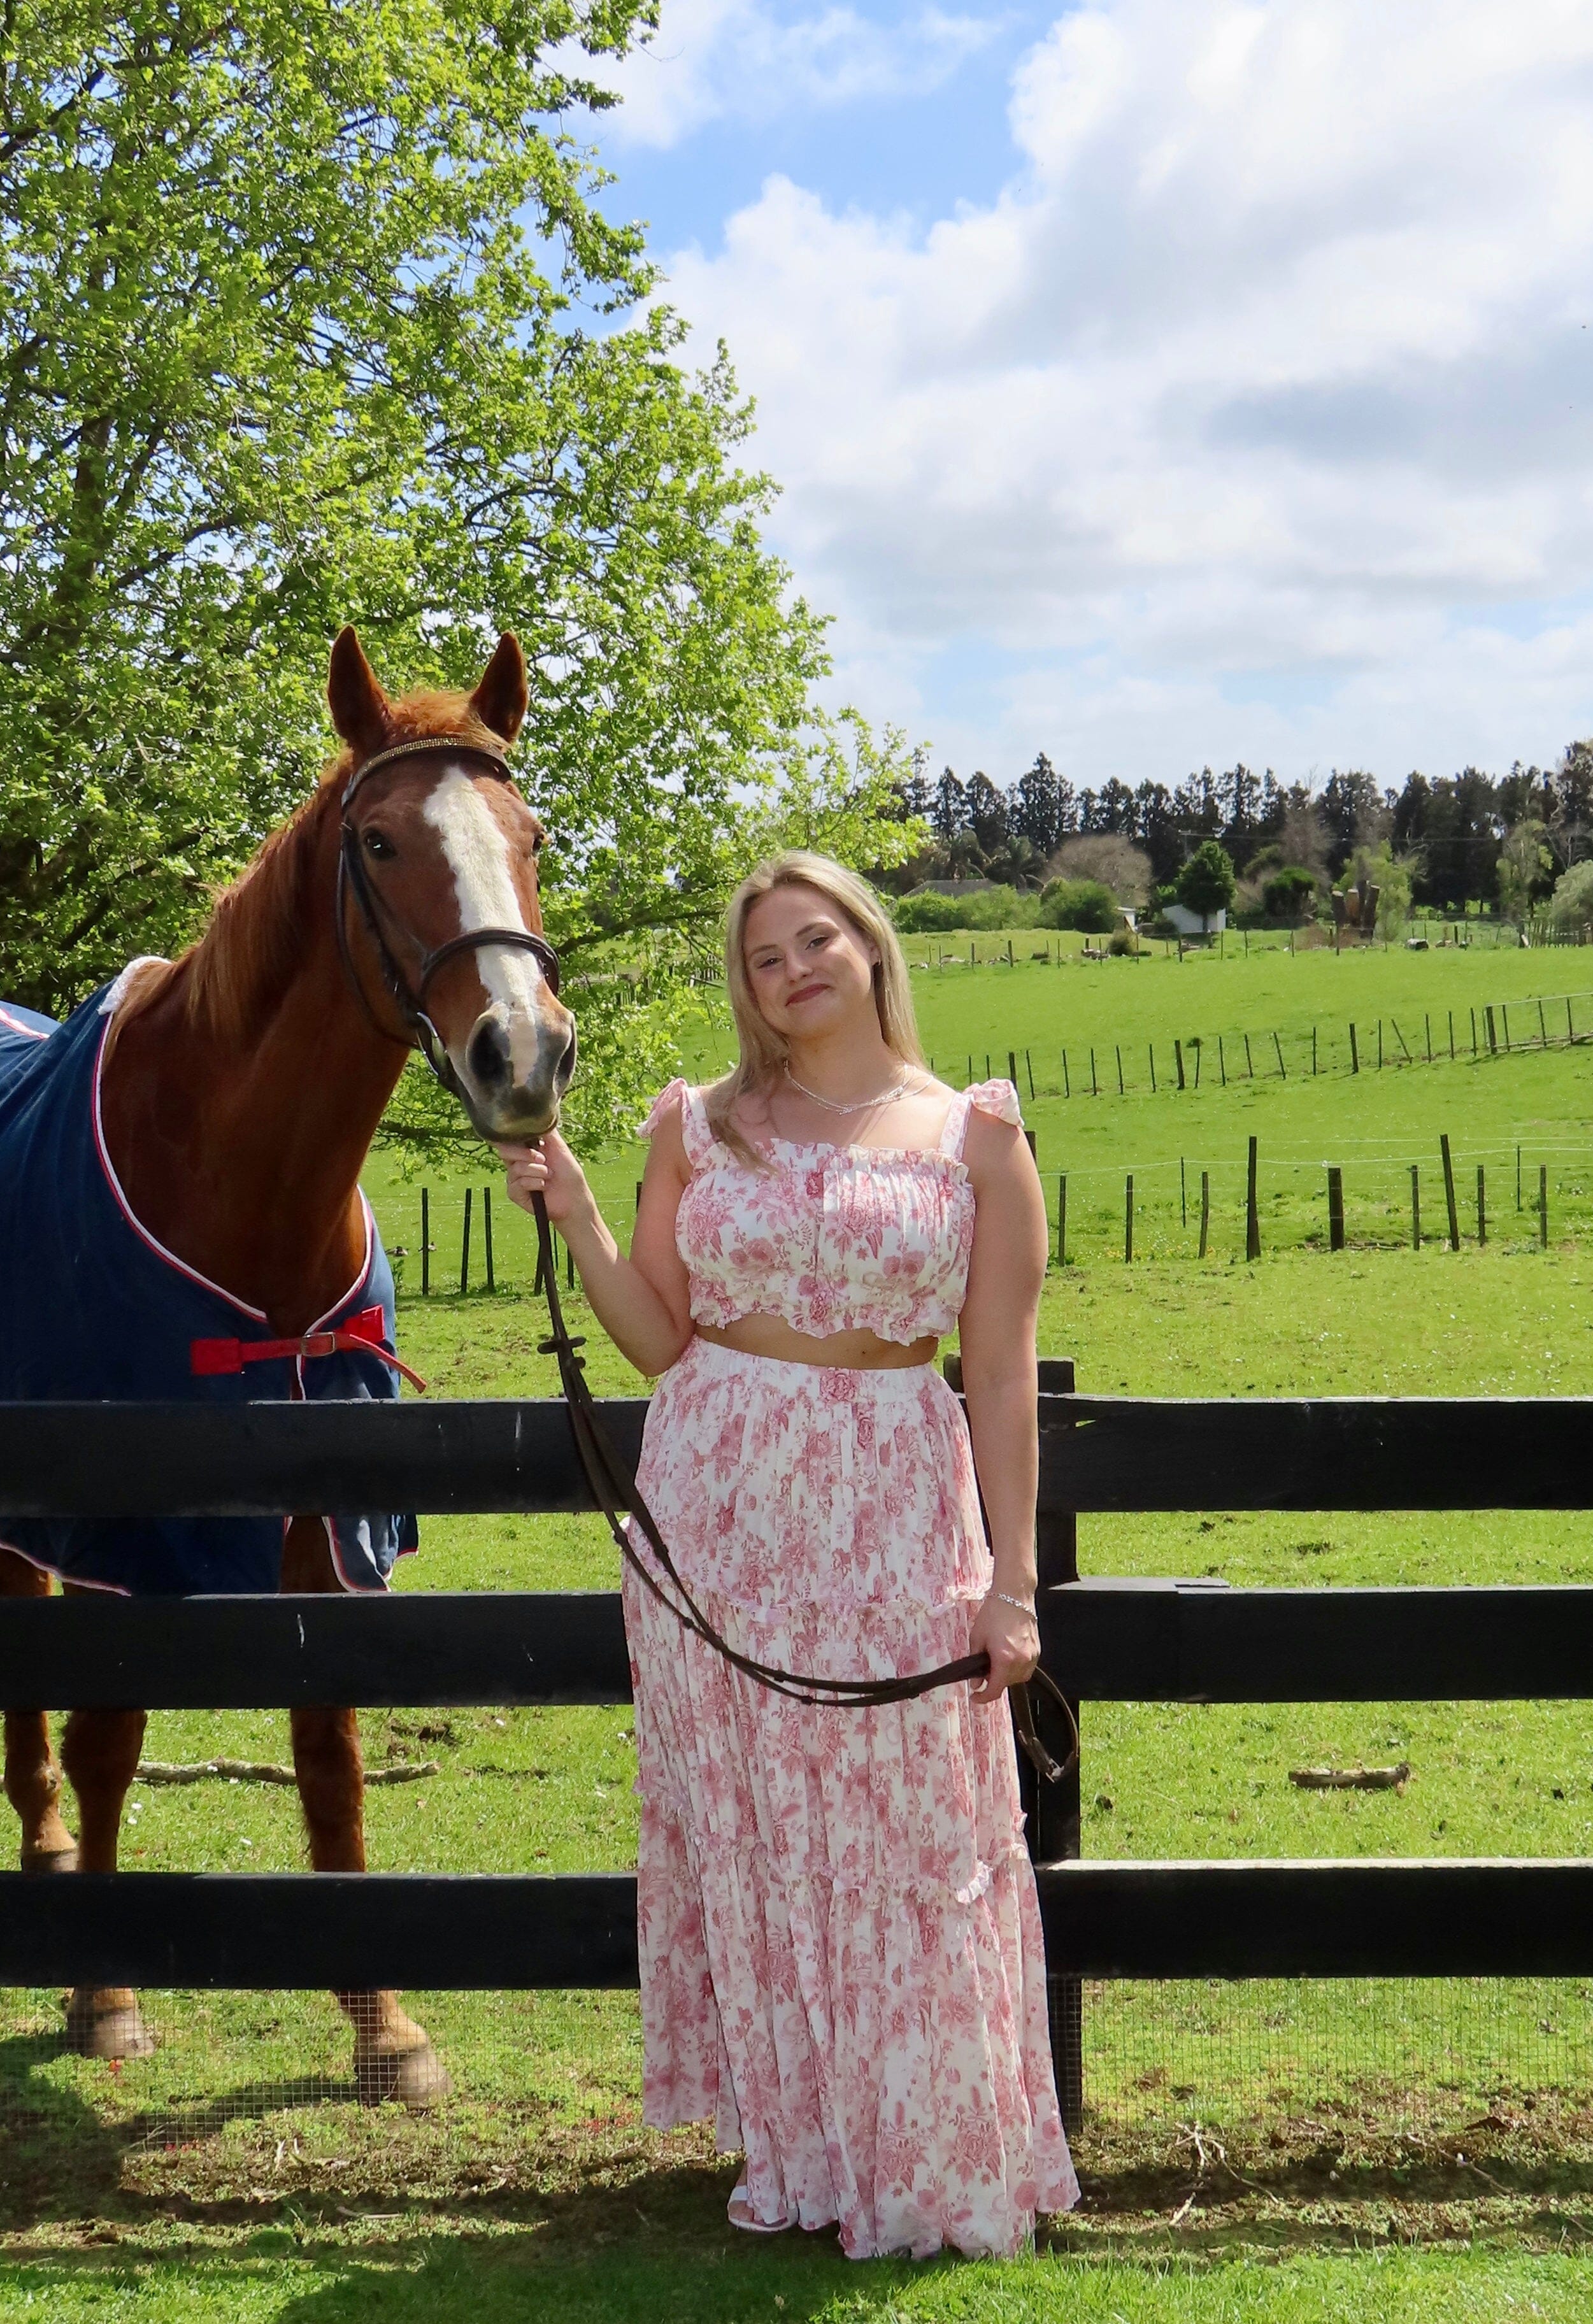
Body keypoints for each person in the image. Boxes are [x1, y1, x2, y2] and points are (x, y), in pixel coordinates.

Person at [501, 850, 1079, 2258]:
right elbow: (657, 1338)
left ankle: (928, 2155)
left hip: (892, 1497)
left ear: (872, 948)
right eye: (763, 957)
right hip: (719, 1504)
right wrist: (577, 1211)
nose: (792, 970)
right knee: (757, 1838)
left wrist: (1011, 1583)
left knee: (907, 1827)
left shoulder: (973, 1135)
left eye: (814, 939)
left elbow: (997, 1376)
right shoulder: (695, 1126)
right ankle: (804, 2155)